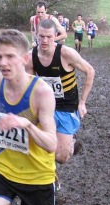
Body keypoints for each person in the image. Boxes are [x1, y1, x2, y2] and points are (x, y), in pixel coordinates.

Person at [0, 29, 57, 205]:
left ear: (25, 59)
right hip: (4, 170)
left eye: (10, 56)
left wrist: (26, 124)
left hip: (38, 177)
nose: (3, 63)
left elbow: (52, 144)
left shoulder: (41, 92)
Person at [26, 19, 95, 167]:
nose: (45, 40)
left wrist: (82, 102)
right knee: (33, 142)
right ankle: (47, 178)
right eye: (41, 36)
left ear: (56, 35)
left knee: (61, 157)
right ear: (36, 35)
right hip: (45, 106)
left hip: (66, 106)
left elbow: (90, 71)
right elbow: (29, 85)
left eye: (49, 37)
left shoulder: (66, 53)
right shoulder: (31, 57)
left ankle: (72, 140)